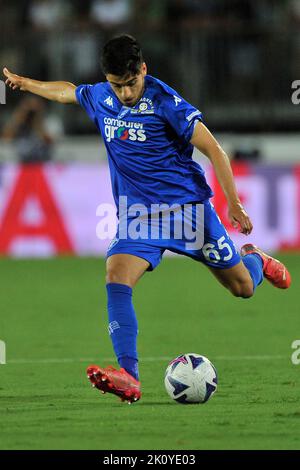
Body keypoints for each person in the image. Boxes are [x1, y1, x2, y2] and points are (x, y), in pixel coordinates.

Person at [3, 35, 291, 404]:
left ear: (143, 69)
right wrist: (26, 84)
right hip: (139, 218)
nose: (124, 93)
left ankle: (256, 259)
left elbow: (214, 150)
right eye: (116, 85)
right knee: (116, 275)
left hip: (189, 213)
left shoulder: (165, 102)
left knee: (242, 288)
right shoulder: (102, 96)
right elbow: (68, 92)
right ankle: (129, 375)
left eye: (130, 83)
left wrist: (234, 203)